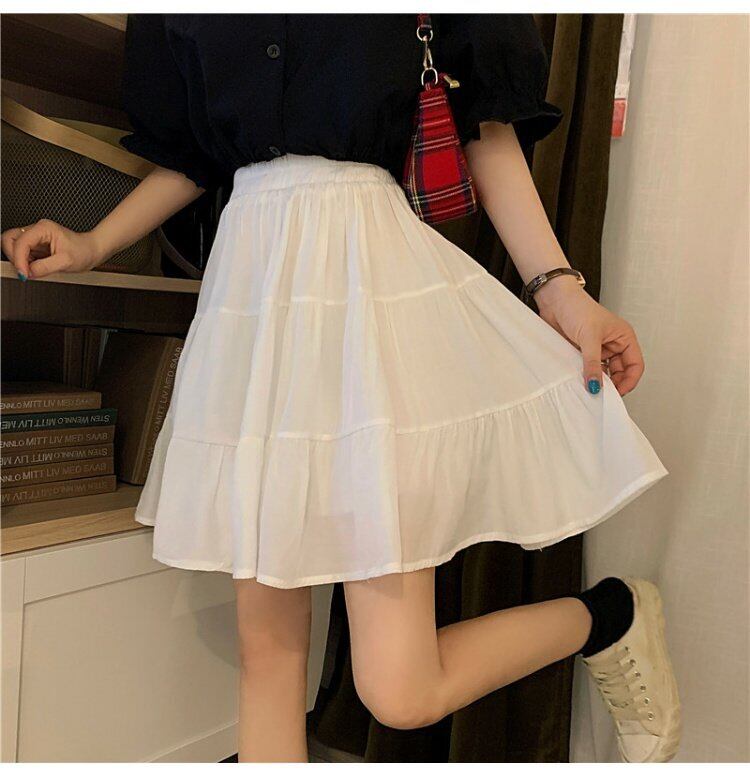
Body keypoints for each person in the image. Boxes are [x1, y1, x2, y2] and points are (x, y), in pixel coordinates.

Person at [1, 13, 681, 764]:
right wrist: (93, 242)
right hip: (254, 306)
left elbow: (481, 126)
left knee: (401, 691)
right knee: (267, 662)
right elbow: (193, 153)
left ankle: (611, 616)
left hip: (369, 298)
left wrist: (558, 288)